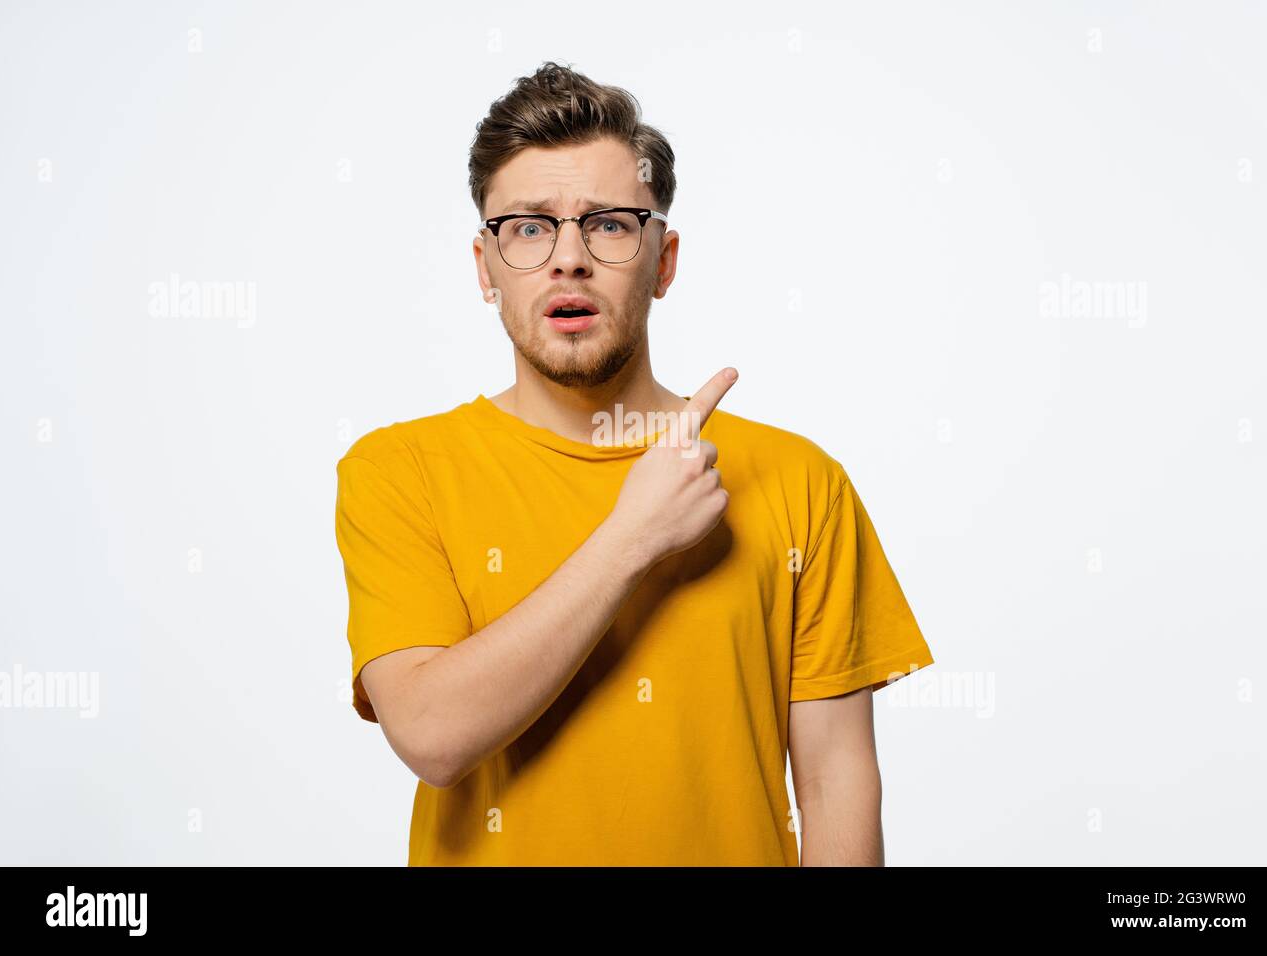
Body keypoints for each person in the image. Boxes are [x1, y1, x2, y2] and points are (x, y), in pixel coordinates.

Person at [334, 61, 934, 866]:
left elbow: (834, 779)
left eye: (610, 224)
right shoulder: (398, 470)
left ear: (664, 259)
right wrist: (632, 539)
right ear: (486, 267)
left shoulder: (799, 480)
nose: (568, 258)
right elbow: (433, 736)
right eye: (529, 226)